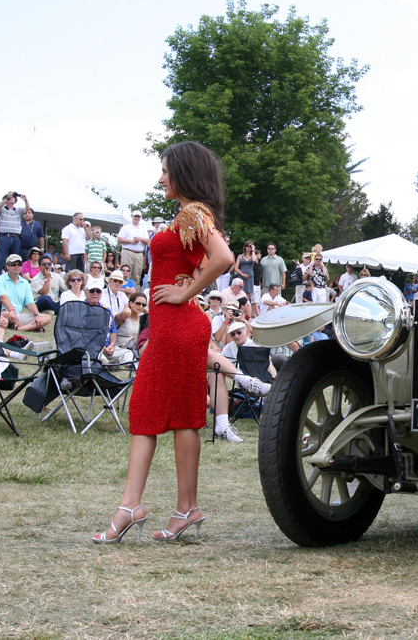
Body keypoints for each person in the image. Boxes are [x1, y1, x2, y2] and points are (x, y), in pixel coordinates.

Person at [92, 140, 234, 545]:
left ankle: (130, 507)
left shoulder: (191, 211)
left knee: (146, 410)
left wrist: (185, 293)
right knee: (183, 415)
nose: (160, 178)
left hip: (177, 323)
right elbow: (210, 260)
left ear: (184, 173)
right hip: (182, 324)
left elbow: (223, 258)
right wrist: (190, 284)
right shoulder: (197, 213)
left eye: (166, 171)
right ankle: (185, 509)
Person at [0, 253, 51, 332]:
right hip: (3, 313)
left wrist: (37, 315)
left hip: (19, 314)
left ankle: (20, 328)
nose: (17, 266)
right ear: (7, 266)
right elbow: (2, 297)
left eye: (19, 264)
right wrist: (11, 310)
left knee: (47, 318)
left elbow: (30, 302)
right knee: (6, 314)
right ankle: (32, 328)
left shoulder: (25, 282)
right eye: (13, 264)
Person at [85, 284, 135, 365]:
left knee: (127, 353)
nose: (95, 293)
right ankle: (105, 363)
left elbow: (113, 331)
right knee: (93, 353)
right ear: (86, 293)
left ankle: (121, 364)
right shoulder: (81, 309)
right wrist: (101, 346)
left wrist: (112, 345)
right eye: (92, 291)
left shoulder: (106, 310)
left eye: (98, 291)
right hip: (90, 347)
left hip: (108, 348)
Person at [0, 191, 30, 278]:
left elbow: (27, 209)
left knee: (14, 260)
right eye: (10, 197)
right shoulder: (3, 210)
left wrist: (25, 200)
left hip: (16, 238)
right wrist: (7, 198)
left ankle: (10, 278)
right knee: (0, 259)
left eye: (13, 197)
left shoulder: (18, 210)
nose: (12, 198)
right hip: (4, 237)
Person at [117, 211, 150, 284]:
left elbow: (147, 241)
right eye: (135, 216)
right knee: (125, 274)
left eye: (138, 216)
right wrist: (132, 241)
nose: (137, 218)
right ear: (132, 216)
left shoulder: (143, 229)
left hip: (139, 254)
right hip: (128, 252)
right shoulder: (126, 227)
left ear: (140, 218)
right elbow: (119, 239)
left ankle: (135, 293)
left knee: (137, 276)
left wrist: (140, 239)